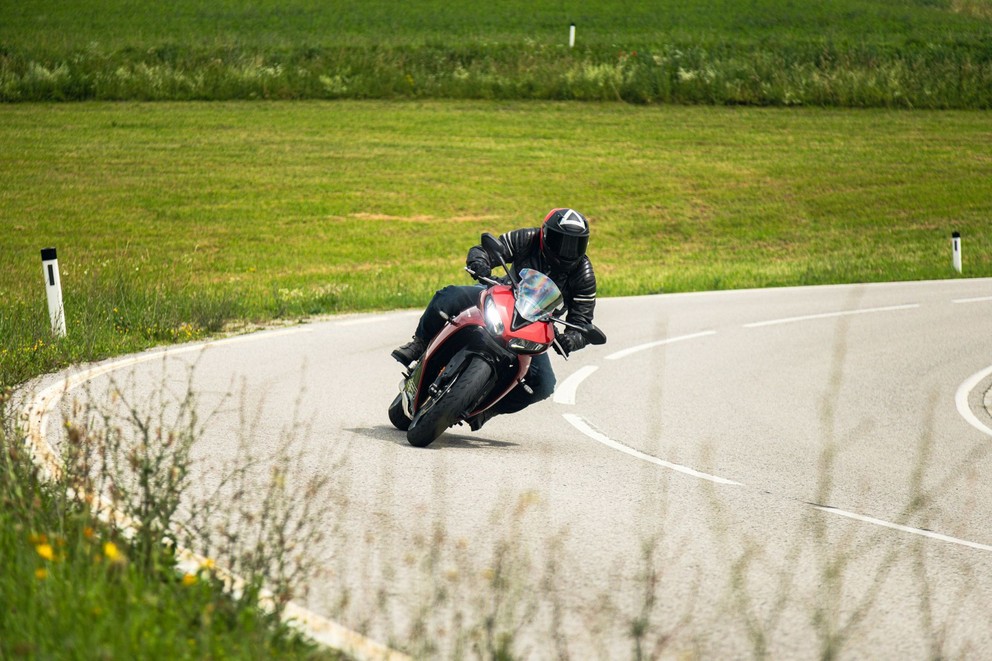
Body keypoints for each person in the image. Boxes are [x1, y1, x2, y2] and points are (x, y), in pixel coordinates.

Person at [391, 208, 598, 430]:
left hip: (535, 324)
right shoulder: (527, 238)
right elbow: (485, 249)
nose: (567, 250)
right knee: (449, 295)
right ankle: (419, 343)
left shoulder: (583, 275)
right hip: (503, 294)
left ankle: (489, 410)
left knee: (544, 384)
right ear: (545, 234)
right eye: (561, 241)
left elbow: (582, 322)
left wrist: (572, 339)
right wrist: (480, 262)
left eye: (575, 244)